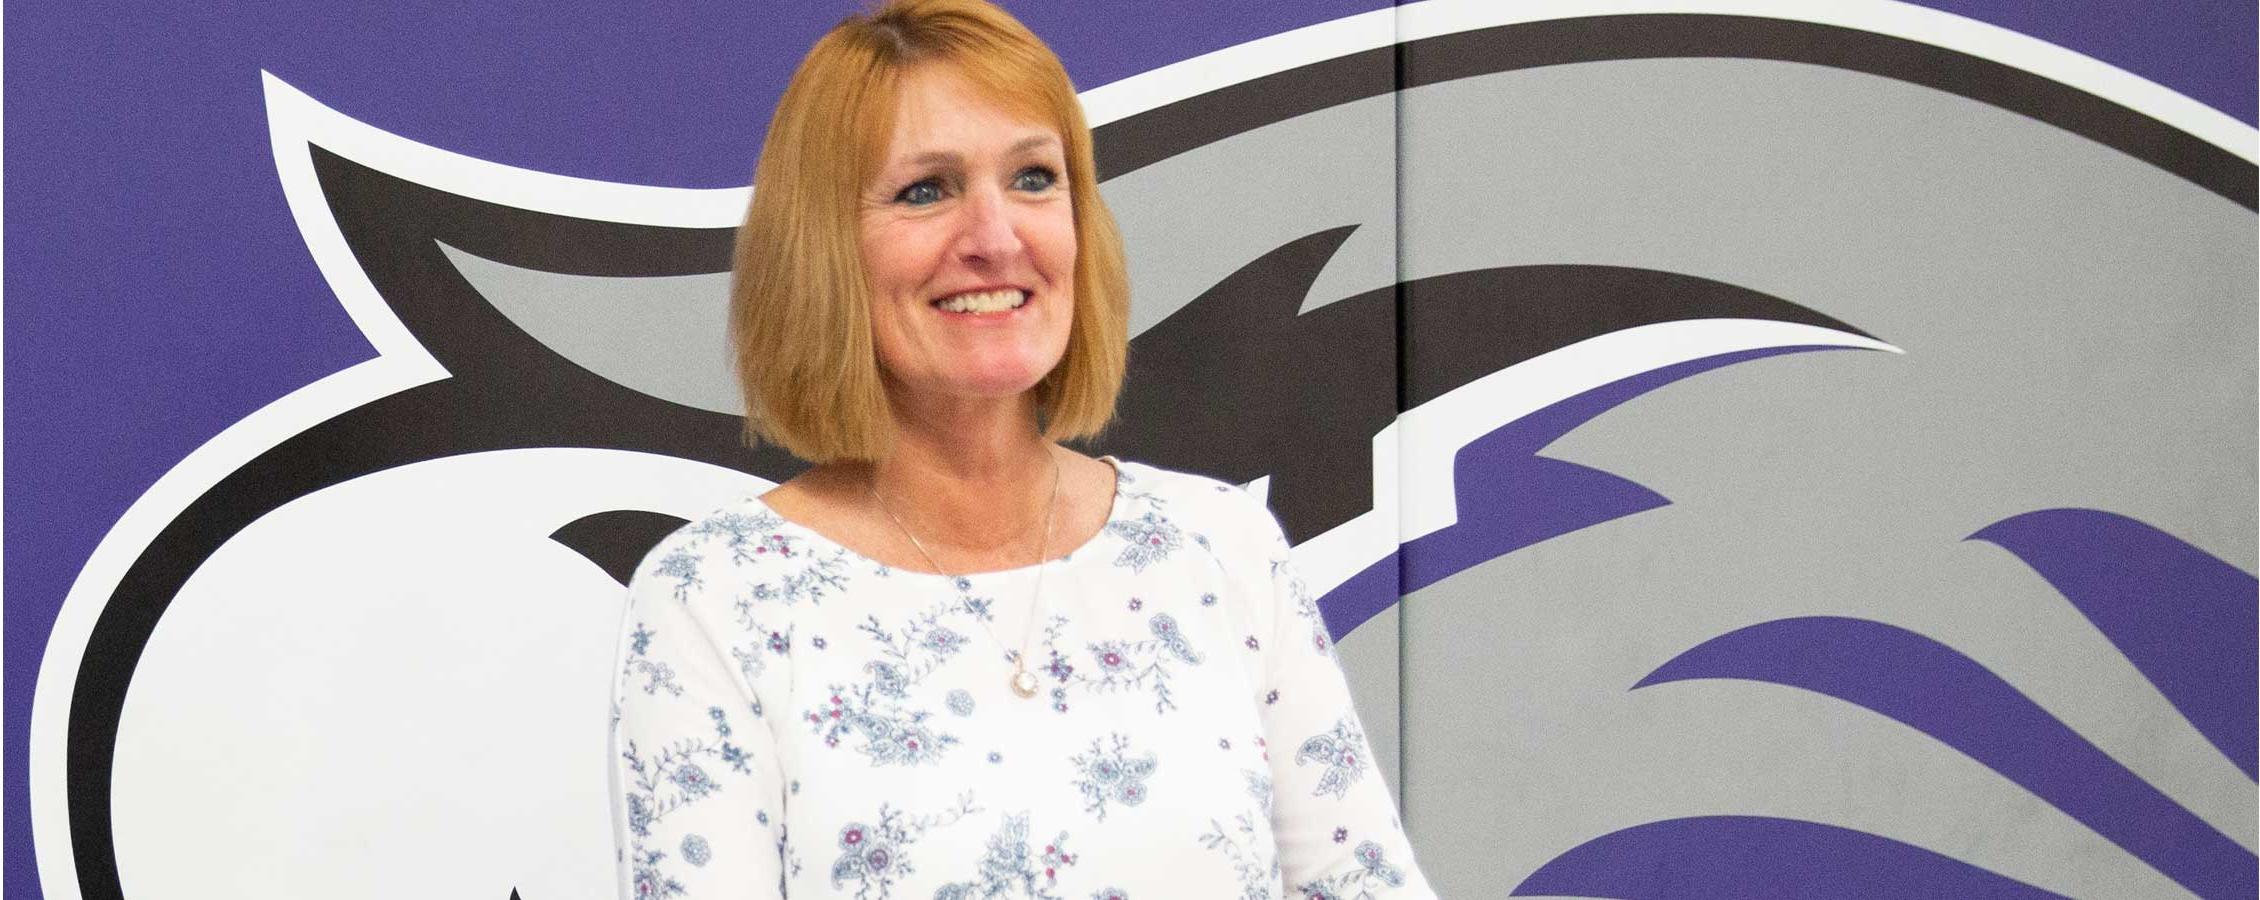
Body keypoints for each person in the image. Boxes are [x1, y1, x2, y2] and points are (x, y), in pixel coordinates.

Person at [607, 1, 1435, 897]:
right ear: (823, 250)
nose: (996, 239)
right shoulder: (715, 598)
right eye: (926, 190)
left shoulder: (1221, 546)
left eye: (1035, 179)